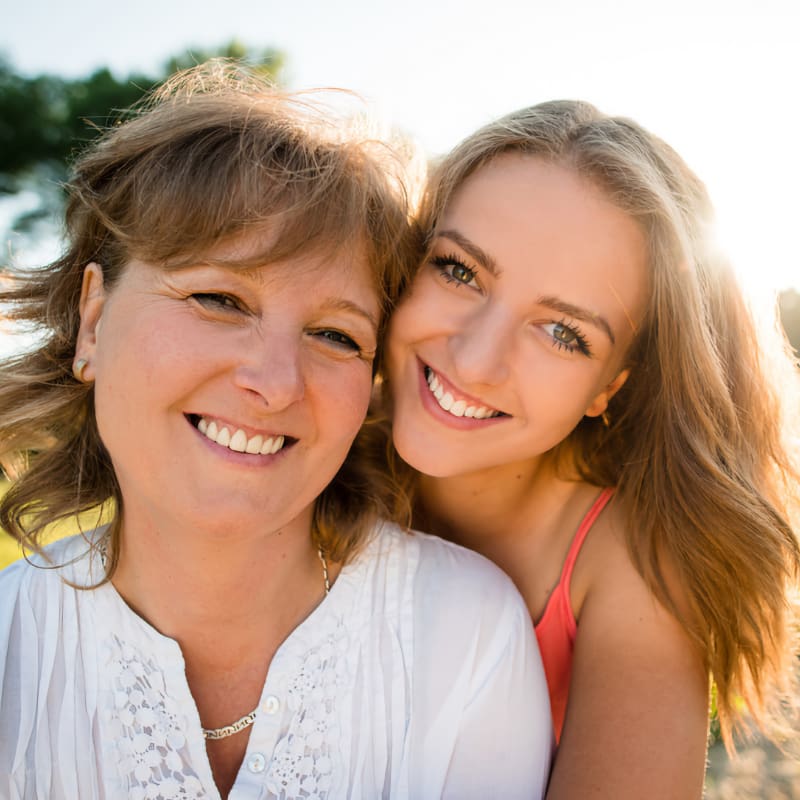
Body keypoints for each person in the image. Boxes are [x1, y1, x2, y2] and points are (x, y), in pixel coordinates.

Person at [0, 63, 553, 799]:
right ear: (94, 322)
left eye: (334, 335)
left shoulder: (466, 633)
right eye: (220, 299)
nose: (276, 382)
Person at [384, 100, 800, 798]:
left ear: (610, 387)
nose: (476, 360)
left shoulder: (636, 565)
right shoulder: (297, 436)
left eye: (563, 333)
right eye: (459, 271)